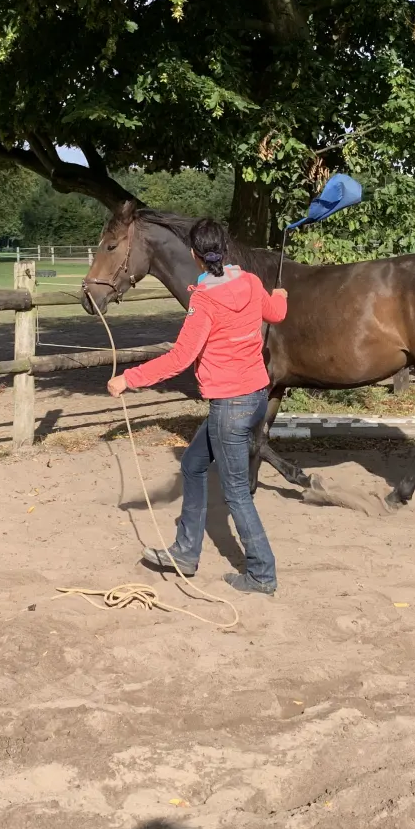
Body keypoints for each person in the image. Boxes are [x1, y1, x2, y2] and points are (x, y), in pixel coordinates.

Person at [107, 218, 288, 595]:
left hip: (230, 405)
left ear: (195, 255)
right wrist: (282, 294)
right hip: (255, 398)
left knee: (236, 492)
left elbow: (179, 359)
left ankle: (262, 574)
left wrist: (129, 379)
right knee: (192, 465)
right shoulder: (251, 283)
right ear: (225, 249)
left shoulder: (204, 300)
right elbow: (277, 314)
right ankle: (186, 552)